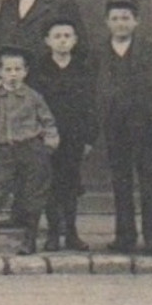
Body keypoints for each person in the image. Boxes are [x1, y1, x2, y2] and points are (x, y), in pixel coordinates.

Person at [0, 47, 60, 256]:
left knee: (32, 195)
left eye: (18, 69)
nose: (13, 74)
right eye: (8, 69)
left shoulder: (33, 97)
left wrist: (49, 144)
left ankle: (29, 240)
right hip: (1, 152)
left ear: (25, 72)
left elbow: (47, 121)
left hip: (30, 150)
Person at [91, 0, 152, 253]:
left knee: (149, 182)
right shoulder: (99, 52)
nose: (120, 23)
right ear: (106, 22)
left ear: (136, 21)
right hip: (114, 128)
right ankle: (125, 235)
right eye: (115, 19)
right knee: (120, 182)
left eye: (125, 18)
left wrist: (146, 116)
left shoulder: (150, 50)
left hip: (145, 128)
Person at [31, 17, 98, 252]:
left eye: (67, 36)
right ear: (47, 41)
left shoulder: (83, 68)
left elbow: (92, 104)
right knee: (50, 184)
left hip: (74, 136)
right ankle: (52, 233)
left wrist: (89, 138)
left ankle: (71, 232)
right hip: (47, 136)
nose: (62, 41)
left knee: (70, 184)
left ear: (75, 40)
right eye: (57, 36)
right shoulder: (38, 69)